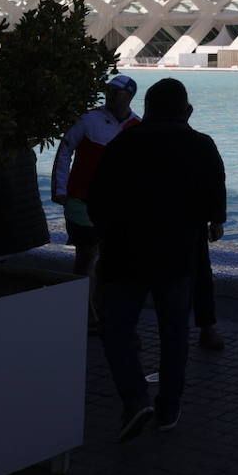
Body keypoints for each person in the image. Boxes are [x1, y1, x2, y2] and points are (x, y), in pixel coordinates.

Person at [86, 78, 227, 442]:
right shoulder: (202, 145)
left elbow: (97, 197)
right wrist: (212, 223)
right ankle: (169, 406)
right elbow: (215, 198)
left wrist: (106, 233)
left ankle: (135, 399)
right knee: (174, 334)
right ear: (185, 109)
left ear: (147, 107)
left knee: (116, 331)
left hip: (124, 254)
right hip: (178, 256)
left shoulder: (124, 142)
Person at [51, 74, 141, 333]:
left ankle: (101, 310)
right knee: (87, 255)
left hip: (118, 206)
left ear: (129, 95)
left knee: (109, 259)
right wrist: (61, 189)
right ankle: (87, 314)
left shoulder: (137, 126)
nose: (111, 95)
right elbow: (65, 149)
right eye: (109, 91)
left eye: (116, 92)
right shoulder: (88, 119)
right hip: (81, 199)